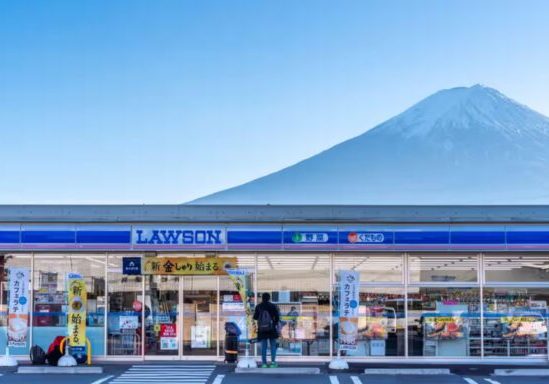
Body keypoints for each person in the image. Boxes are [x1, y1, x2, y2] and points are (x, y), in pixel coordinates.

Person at [253, 292, 280, 368]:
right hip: (271, 329)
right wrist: (274, 324)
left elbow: (255, 317)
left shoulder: (258, 306)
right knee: (273, 346)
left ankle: (264, 363)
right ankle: (273, 363)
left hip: (262, 329)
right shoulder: (272, 306)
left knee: (263, 346)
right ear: (269, 298)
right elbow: (277, 318)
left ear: (262, 298)